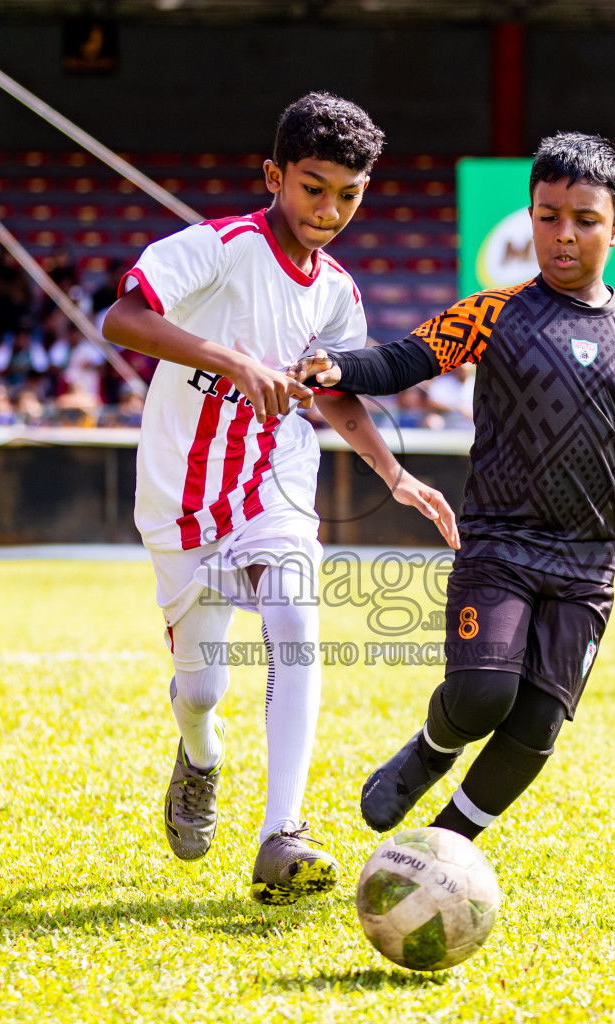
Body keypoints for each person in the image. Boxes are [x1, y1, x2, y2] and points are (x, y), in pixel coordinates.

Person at [294, 132, 615, 844]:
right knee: (482, 693)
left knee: (537, 722)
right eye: (548, 215)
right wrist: (339, 367)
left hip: (586, 565)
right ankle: (431, 750)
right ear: (530, 218)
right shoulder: (493, 313)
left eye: (584, 219)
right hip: (499, 544)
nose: (563, 234)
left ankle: (443, 849)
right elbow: (407, 360)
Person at [101, 92, 458, 905]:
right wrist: (231, 360)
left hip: (273, 484)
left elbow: (332, 394)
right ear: (274, 175)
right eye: (313, 187)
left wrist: (393, 474)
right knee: (201, 690)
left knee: (297, 624)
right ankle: (199, 753)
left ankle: (282, 834)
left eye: (349, 193)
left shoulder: (336, 290)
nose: (330, 210)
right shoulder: (219, 248)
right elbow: (120, 319)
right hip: (177, 499)